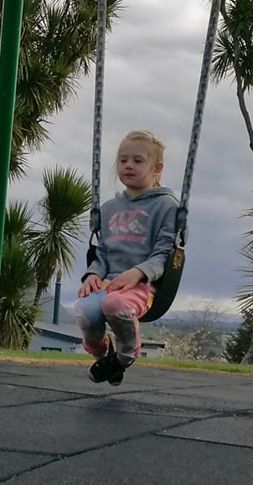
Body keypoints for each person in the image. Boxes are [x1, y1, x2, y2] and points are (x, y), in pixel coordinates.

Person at [74, 129, 178, 385]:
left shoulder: (167, 206)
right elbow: (103, 253)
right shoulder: (109, 209)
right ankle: (104, 355)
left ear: (157, 167)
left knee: (115, 306)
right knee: (84, 309)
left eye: (137, 160)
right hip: (108, 283)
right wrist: (92, 275)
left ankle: (126, 355)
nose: (128, 166)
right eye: (123, 160)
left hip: (143, 286)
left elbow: (164, 253)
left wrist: (138, 273)